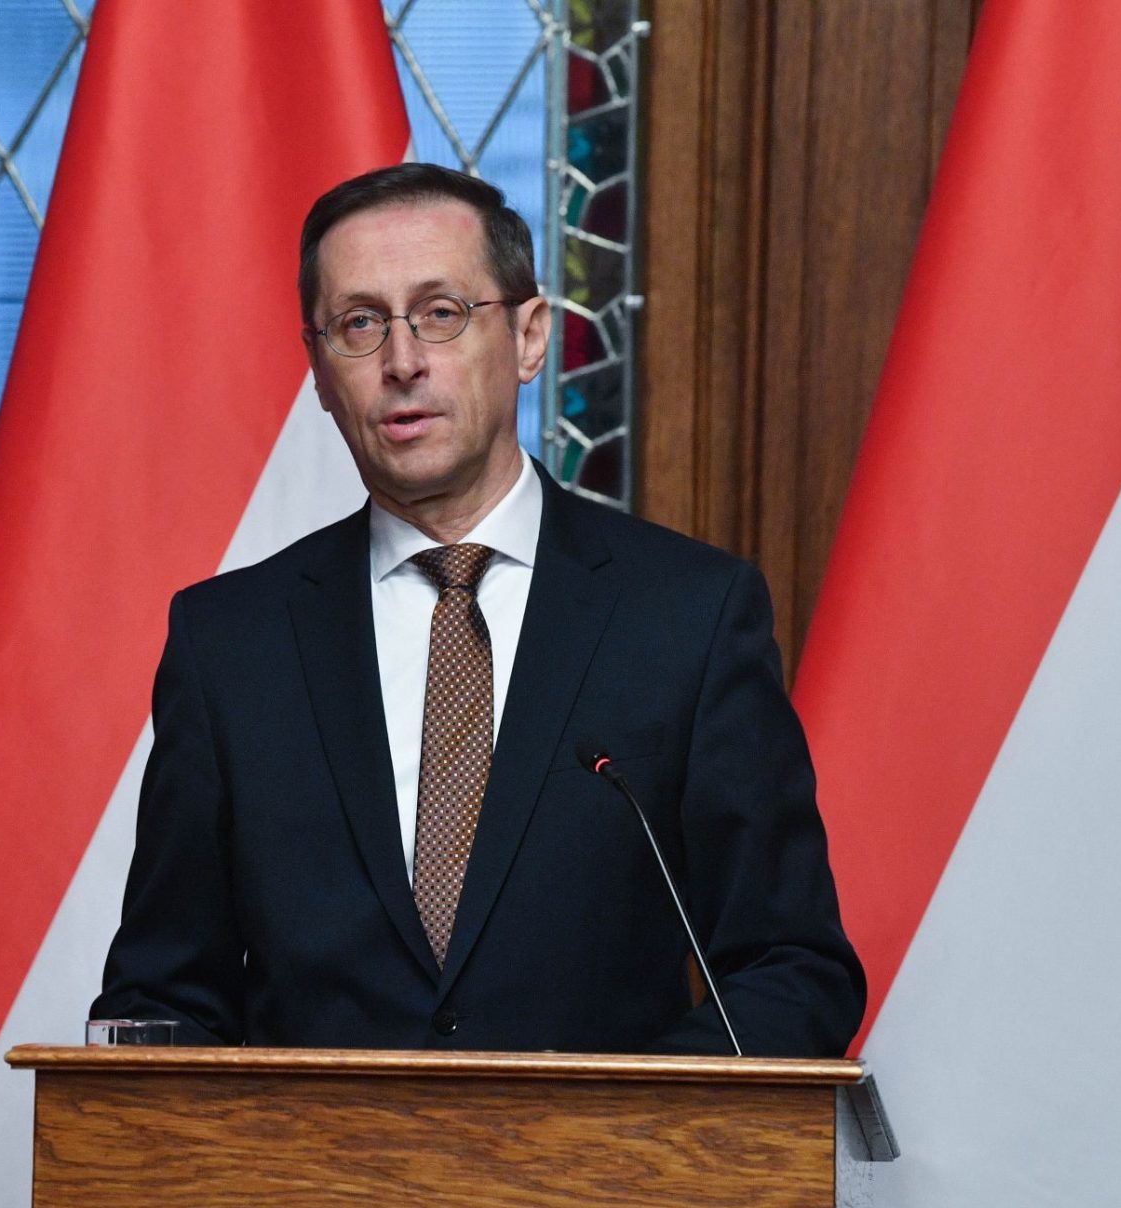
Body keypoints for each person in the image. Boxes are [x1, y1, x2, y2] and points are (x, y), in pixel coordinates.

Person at [90, 163, 862, 1055]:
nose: (402, 362)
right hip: (309, 1151)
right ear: (319, 372)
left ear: (530, 338)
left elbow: (791, 971)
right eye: (360, 323)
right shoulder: (231, 643)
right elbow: (161, 1000)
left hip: (607, 1148)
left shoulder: (687, 616)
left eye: (442, 313)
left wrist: (612, 1123)